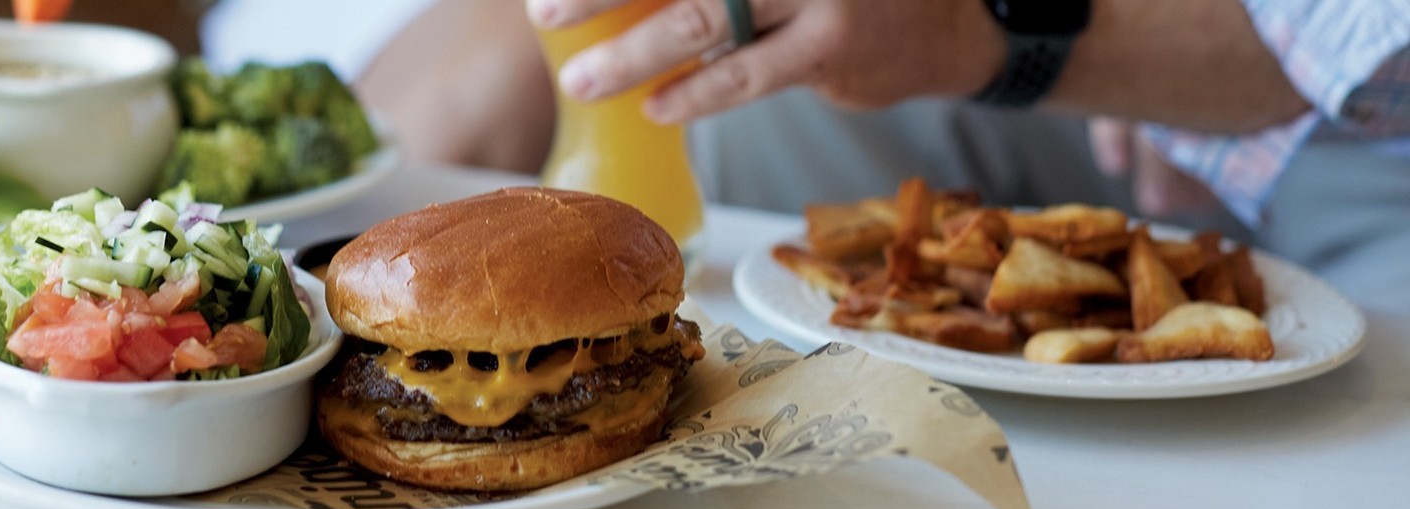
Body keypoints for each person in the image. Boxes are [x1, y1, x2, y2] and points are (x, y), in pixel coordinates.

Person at [203, 0, 1410, 311]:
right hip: (1060, 92)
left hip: (1363, 137)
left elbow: (1348, 41)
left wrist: (977, 27)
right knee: (689, 93)